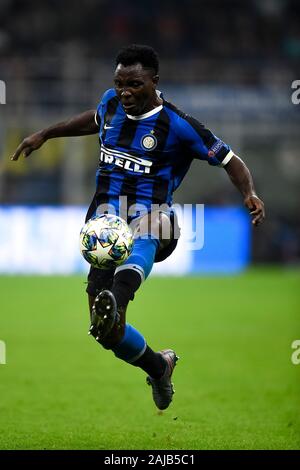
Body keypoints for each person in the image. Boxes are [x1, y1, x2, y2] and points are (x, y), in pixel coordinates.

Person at [11, 44, 265, 411]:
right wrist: (45, 134)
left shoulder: (179, 126)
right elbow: (92, 119)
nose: (125, 92)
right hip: (104, 225)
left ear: (154, 82)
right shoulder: (111, 104)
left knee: (148, 223)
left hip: (157, 222)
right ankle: (159, 366)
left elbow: (230, 159)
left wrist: (249, 193)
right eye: (119, 84)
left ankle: (119, 294)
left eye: (134, 84)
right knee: (106, 332)